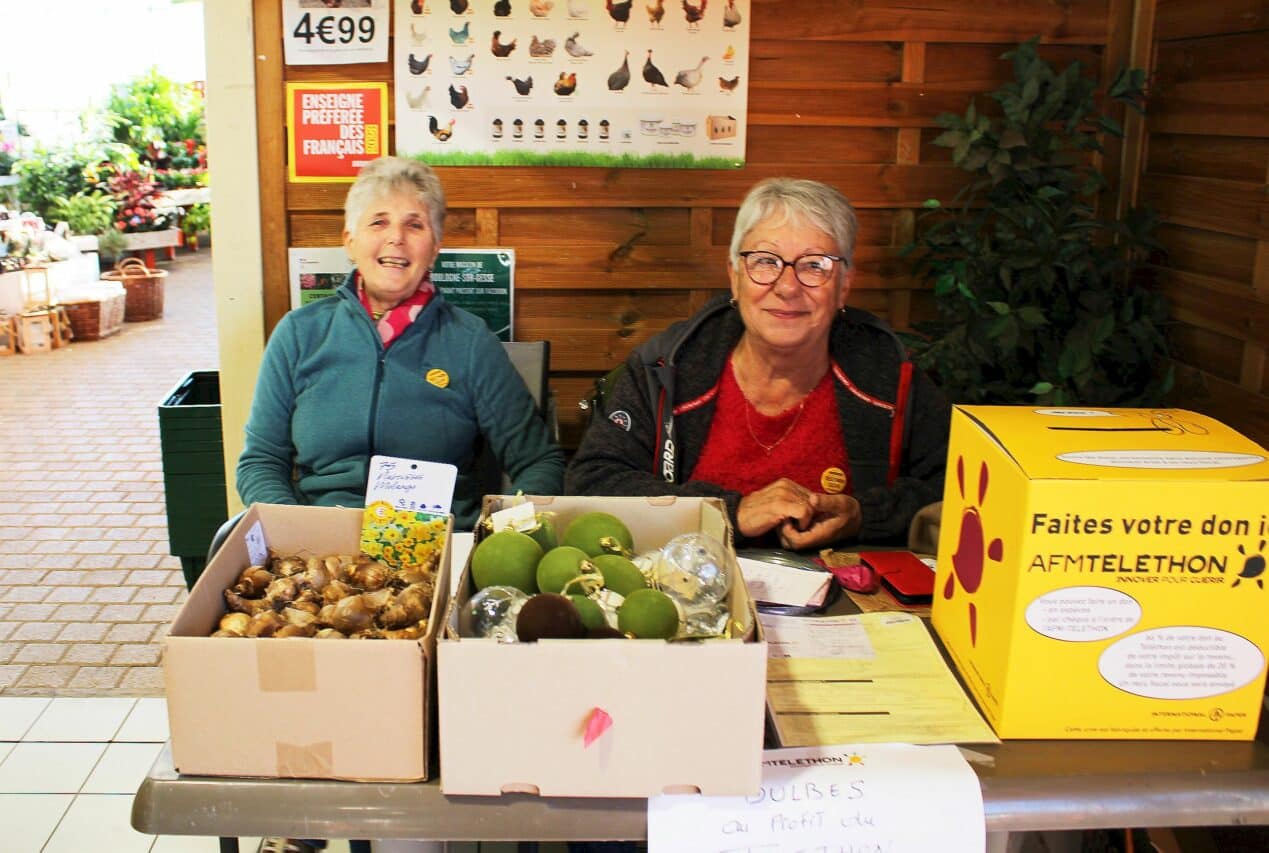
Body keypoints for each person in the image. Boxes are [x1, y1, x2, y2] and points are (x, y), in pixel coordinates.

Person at [566, 177, 949, 550]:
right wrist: (728, 513)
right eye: (765, 261)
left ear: (844, 284)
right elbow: (592, 482)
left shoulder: (886, 373)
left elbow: (961, 490)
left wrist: (866, 515)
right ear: (734, 277)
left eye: (815, 265)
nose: (787, 287)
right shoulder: (667, 367)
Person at [237, 155, 564, 530]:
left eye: (415, 225)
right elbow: (260, 461)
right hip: (322, 547)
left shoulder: (470, 341)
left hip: (438, 545)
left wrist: (496, 536)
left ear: (435, 247)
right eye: (379, 222)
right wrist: (294, 529)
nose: (396, 237)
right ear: (350, 241)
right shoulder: (299, 334)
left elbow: (540, 462)